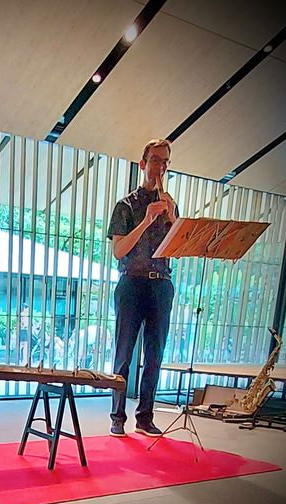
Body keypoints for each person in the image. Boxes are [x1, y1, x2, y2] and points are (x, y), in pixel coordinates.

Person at [107, 139, 178, 437]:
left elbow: (176, 250)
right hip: (132, 283)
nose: (160, 167)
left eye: (165, 162)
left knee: (154, 354)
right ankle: (117, 417)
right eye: (155, 160)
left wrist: (172, 219)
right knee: (123, 352)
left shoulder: (171, 205)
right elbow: (118, 250)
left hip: (161, 283)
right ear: (143, 164)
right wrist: (147, 220)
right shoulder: (125, 206)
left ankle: (145, 417)